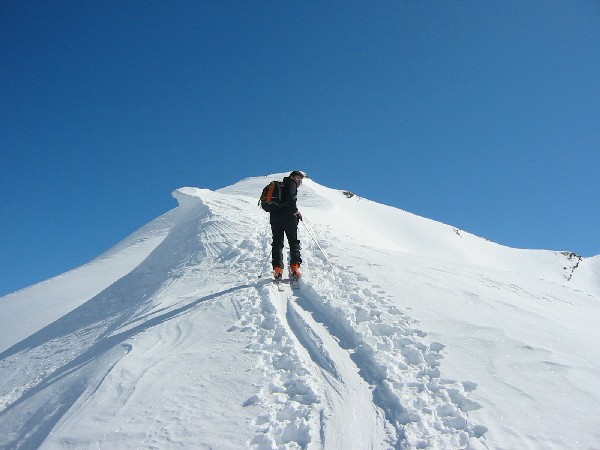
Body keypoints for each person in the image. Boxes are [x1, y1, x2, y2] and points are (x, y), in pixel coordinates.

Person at [271, 170, 304, 279]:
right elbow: (290, 197)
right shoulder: (291, 184)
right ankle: (294, 267)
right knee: (293, 241)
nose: (299, 182)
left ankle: (277, 269)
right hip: (288, 217)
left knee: (277, 242)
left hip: (275, 217)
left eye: (301, 181)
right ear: (292, 177)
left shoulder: (280, 185)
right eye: (298, 179)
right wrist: (295, 211)